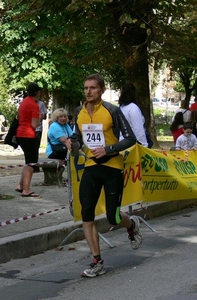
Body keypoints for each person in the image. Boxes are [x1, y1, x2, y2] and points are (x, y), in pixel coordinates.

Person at [73, 73, 141, 278]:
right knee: (87, 214)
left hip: (112, 167)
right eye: (86, 88)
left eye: (93, 88)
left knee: (113, 218)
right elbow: (77, 138)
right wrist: (71, 143)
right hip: (91, 168)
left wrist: (108, 149)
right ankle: (97, 260)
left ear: (102, 90)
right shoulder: (79, 111)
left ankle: (131, 224)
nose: (88, 91)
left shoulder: (112, 110)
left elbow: (130, 139)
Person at [15, 83, 41, 197]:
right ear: (37, 92)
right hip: (28, 135)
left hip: (20, 133)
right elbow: (35, 124)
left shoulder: (24, 101)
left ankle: (20, 185)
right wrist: (40, 117)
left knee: (28, 162)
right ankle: (26, 190)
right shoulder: (34, 105)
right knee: (31, 163)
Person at [118, 82, 148, 147]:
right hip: (132, 145)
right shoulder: (133, 108)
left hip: (120, 143)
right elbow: (138, 129)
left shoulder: (119, 108)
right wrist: (144, 145)